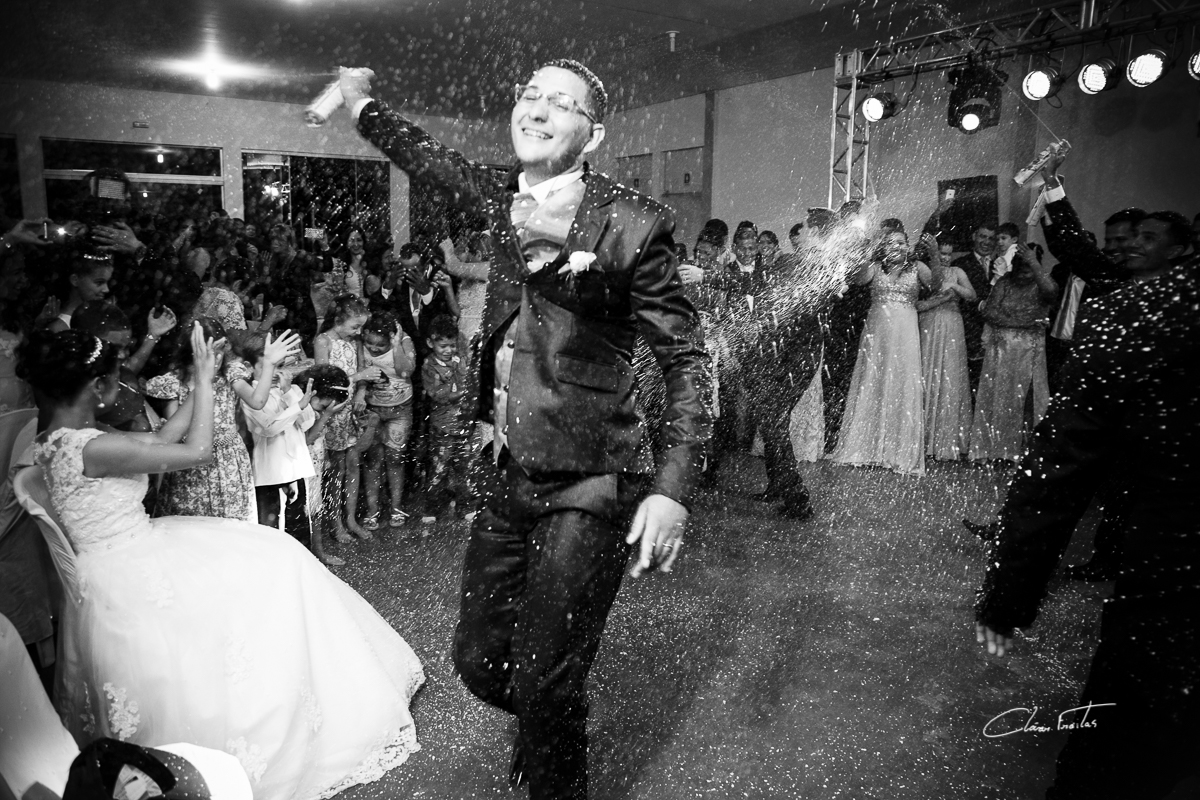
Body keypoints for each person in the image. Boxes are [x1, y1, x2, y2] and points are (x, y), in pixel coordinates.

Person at [341, 58, 711, 799]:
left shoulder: (634, 221)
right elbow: (426, 156)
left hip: (592, 477)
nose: (537, 110)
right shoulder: (496, 194)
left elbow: (686, 363)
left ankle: (551, 735)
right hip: (510, 474)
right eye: (529, 96)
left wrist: (672, 489)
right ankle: (553, 716)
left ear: (593, 132)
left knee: (546, 671)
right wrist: (361, 106)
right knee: (477, 658)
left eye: (561, 103)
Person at [18, 326, 424, 800]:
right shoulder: (93, 446)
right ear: (98, 388)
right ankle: (278, 710)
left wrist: (202, 383)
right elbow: (195, 451)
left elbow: (161, 438)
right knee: (279, 563)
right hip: (130, 576)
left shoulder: (61, 441)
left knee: (273, 555)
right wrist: (207, 383)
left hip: (115, 565)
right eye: (114, 379)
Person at [974, 247, 1198, 799]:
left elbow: (1059, 468)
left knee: (1113, 769)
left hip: (1172, 599)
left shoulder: (1149, 309)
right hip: (1170, 592)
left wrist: (1008, 595)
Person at [829, 229, 936, 475]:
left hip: (906, 331)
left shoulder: (918, 267)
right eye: (890, 243)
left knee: (903, 382)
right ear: (882, 247)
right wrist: (865, 250)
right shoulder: (874, 268)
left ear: (908, 246)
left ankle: (898, 450)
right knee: (873, 381)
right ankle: (866, 447)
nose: (895, 247)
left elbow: (936, 284)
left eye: (901, 242)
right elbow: (857, 279)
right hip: (877, 331)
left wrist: (935, 258)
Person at [968, 242, 1056, 464]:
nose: (1026, 266)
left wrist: (1035, 264)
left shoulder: (1042, 284)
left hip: (1030, 350)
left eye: (1031, 262)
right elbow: (990, 311)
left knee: (1024, 398)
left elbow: (1051, 292)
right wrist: (1024, 322)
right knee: (997, 396)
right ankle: (995, 449)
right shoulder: (1005, 283)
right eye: (1023, 261)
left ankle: (1024, 451)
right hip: (1001, 350)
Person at [915, 234, 975, 460]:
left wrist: (954, 288)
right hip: (930, 324)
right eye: (942, 253)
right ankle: (923, 438)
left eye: (949, 254)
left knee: (949, 375)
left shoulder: (958, 272)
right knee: (928, 373)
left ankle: (945, 439)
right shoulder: (923, 268)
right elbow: (926, 295)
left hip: (952, 326)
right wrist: (942, 296)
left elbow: (971, 295)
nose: (946, 258)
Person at [360, 311, 416, 530]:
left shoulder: (404, 342)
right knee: (372, 459)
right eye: (369, 343)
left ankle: (396, 507)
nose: (373, 348)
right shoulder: (359, 342)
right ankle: (372, 510)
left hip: (399, 411)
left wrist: (395, 346)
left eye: (380, 345)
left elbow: (406, 371)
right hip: (372, 410)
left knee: (395, 458)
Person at [417, 314, 470, 526]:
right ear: (431, 343)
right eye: (443, 346)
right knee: (439, 468)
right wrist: (466, 392)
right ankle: (432, 508)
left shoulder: (461, 358)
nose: (448, 350)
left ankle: (465, 506)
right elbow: (438, 394)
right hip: (442, 427)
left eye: (452, 345)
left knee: (465, 468)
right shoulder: (429, 366)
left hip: (465, 425)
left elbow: (464, 342)